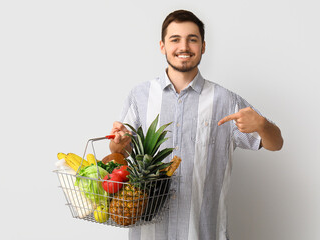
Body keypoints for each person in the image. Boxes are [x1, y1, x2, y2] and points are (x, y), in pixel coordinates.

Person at [109, 9, 283, 240]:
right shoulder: (140, 95)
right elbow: (119, 152)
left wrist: (262, 124)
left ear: (203, 47)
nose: (184, 47)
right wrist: (118, 143)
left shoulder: (225, 100)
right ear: (162, 46)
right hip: (148, 233)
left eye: (192, 39)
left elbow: (276, 143)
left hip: (203, 233)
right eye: (175, 39)